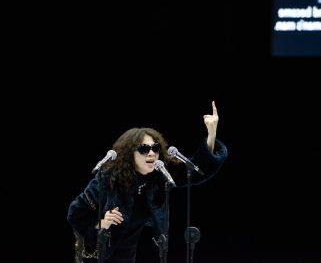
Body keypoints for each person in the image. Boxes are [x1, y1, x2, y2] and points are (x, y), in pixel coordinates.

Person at [67, 101, 228, 263]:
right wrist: (101, 223)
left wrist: (212, 133)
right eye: (144, 149)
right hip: (99, 254)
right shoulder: (109, 178)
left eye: (155, 148)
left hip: (128, 256)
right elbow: (75, 214)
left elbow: (197, 171)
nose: (151, 153)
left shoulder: (159, 176)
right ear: (130, 154)